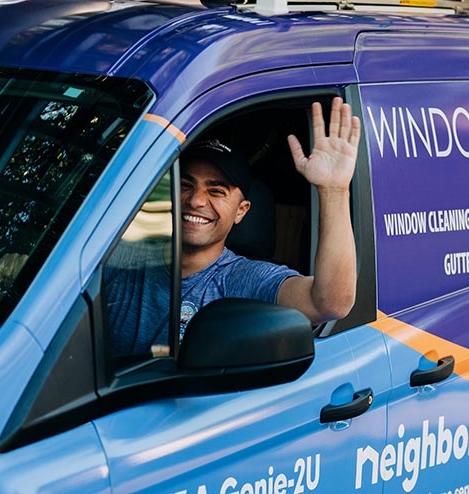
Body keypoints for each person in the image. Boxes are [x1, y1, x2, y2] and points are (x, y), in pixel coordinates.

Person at [104, 97, 361, 355]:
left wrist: (334, 190)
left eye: (216, 191)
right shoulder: (125, 257)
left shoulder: (242, 280)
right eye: (185, 185)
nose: (195, 200)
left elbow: (329, 303)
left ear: (241, 211)